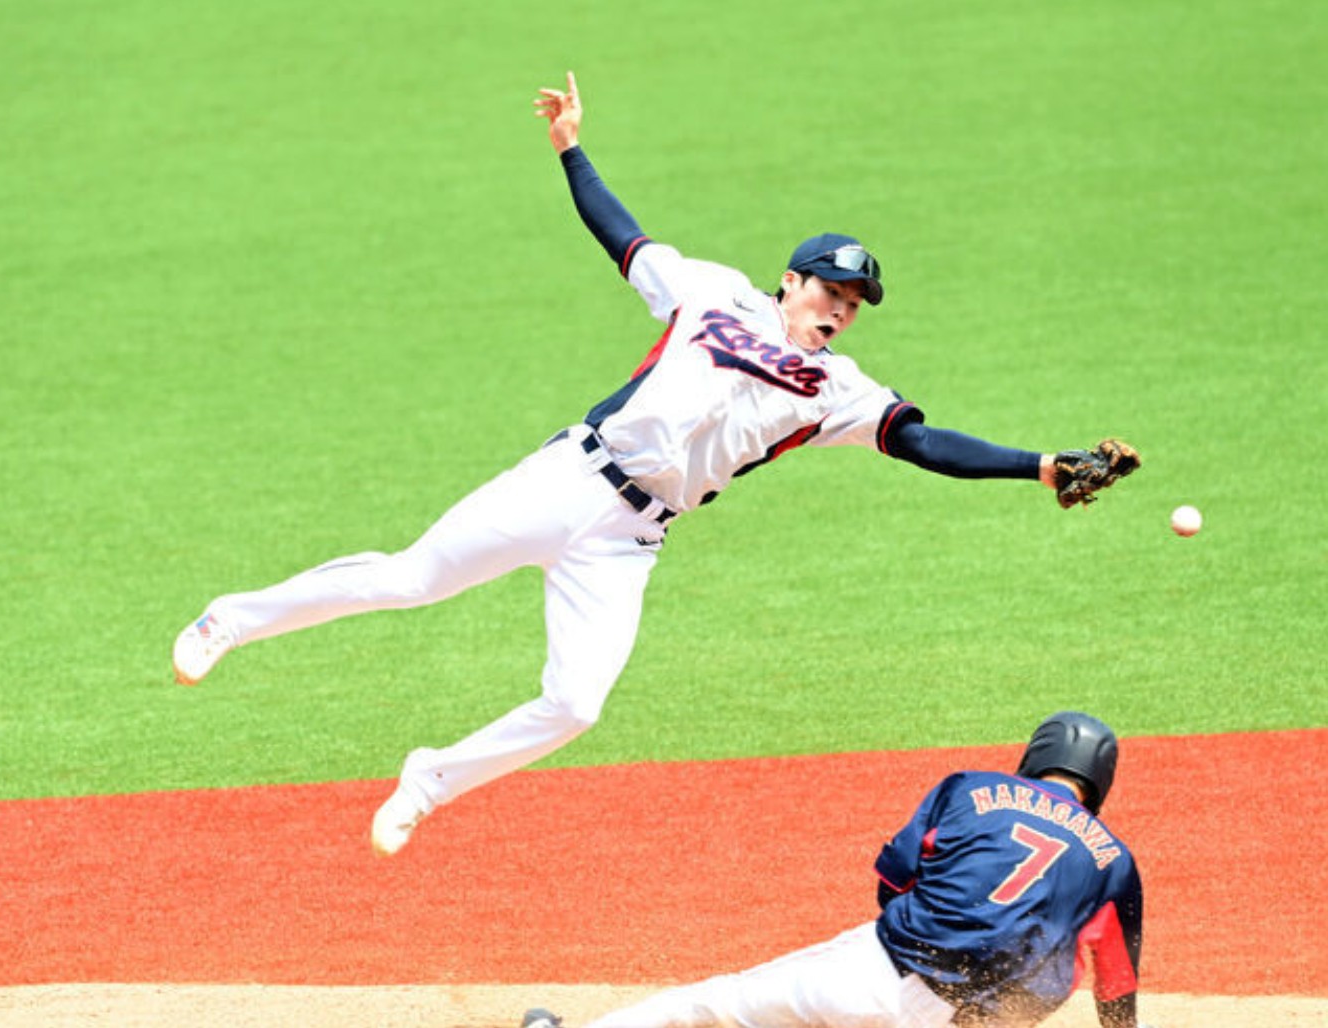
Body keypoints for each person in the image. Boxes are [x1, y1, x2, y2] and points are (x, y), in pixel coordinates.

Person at [171, 73, 1134, 858]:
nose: (841, 307)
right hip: (567, 480)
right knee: (409, 579)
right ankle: (230, 620)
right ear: (791, 278)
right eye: (831, 288)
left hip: (630, 540)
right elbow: (618, 235)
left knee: (576, 703)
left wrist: (1039, 465)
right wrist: (570, 147)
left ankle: (429, 779)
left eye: (857, 300)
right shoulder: (708, 290)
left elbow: (922, 442)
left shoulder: (838, 387)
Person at [527, 711, 1146, 1028]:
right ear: (1101, 780)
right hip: (950, 1019)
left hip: (867, 971)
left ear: (1034, 756)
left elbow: (894, 881)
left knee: (706, 1007)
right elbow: (1115, 986)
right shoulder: (1114, 860)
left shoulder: (970, 788)